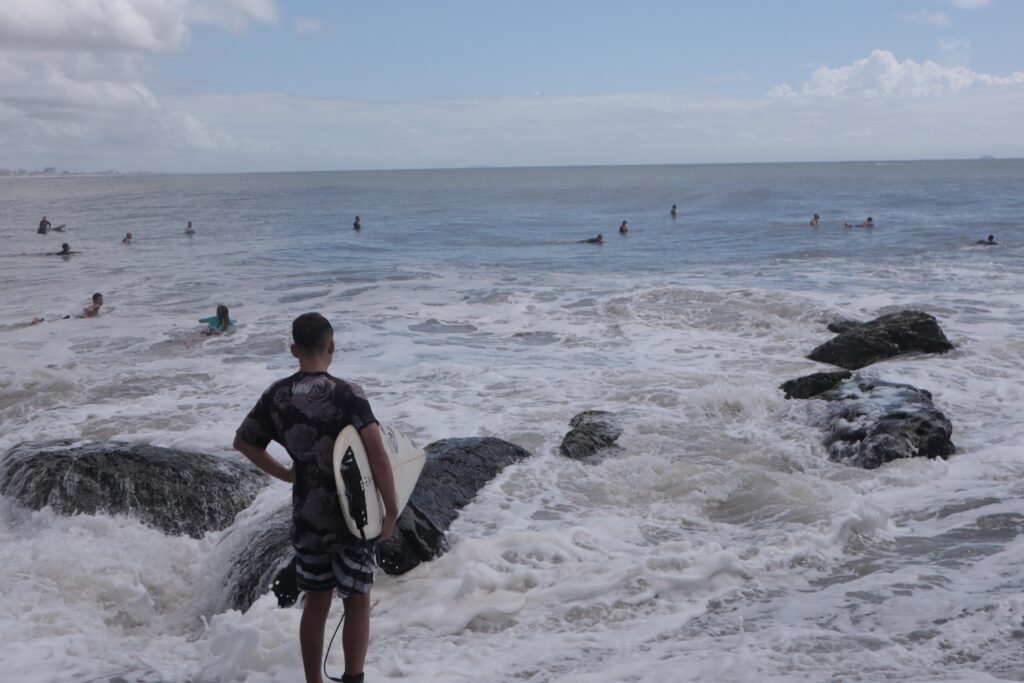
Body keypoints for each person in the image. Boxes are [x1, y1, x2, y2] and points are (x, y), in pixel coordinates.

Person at [234, 312, 397, 683]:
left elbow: (243, 442)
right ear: (332, 346)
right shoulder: (348, 394)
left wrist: (289, 473)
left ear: (294, 350)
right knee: (357, 601)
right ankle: (354, 676)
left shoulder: (277, 395)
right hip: (352, 517)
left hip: (307, 517)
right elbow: (377, 453)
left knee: (317, 602)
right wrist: (390, 508)